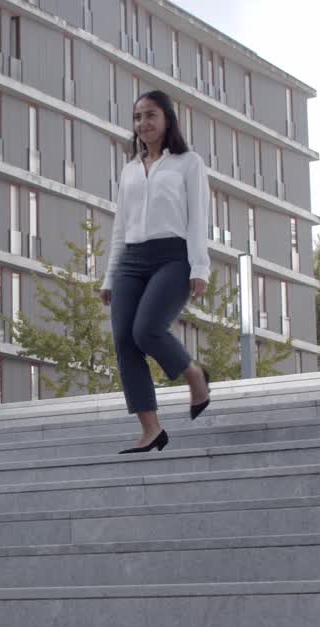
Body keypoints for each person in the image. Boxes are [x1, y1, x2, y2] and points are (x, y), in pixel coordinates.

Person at [99, 90, 212, 454]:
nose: (143, 123)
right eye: (137, 117)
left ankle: (194, 375)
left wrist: (200, 267)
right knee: (124, 341)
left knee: (146, 330)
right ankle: (151, 429)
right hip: (131, 260)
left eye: (150, 115)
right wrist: (109, 276)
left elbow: (198, 219)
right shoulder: (129, 170)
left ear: (167, 120)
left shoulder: (187, 163)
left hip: (173, 257)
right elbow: (120, 227)